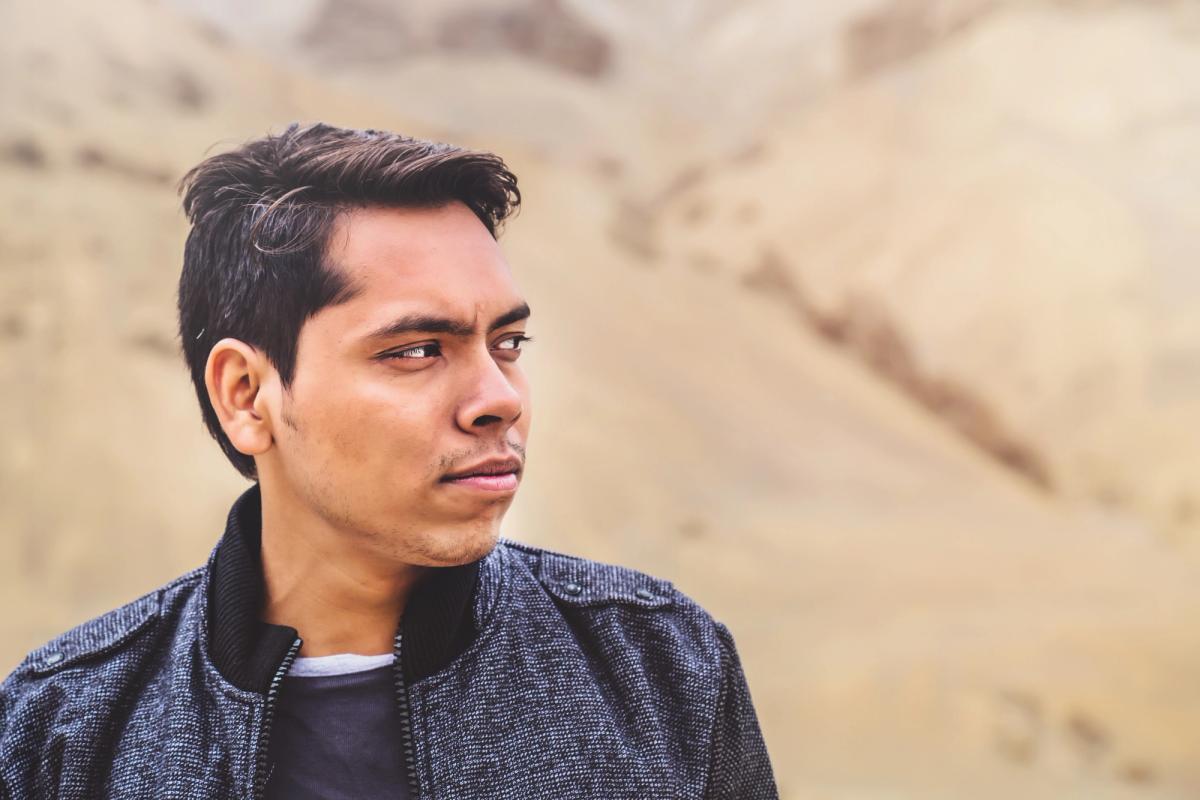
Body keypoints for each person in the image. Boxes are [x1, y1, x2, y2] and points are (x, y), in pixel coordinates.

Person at [0, 123, 778, 799]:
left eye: (508, 344)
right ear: (247, 394)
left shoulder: (664, 671)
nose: (497, 397)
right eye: (415, 350)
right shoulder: (60, 733)